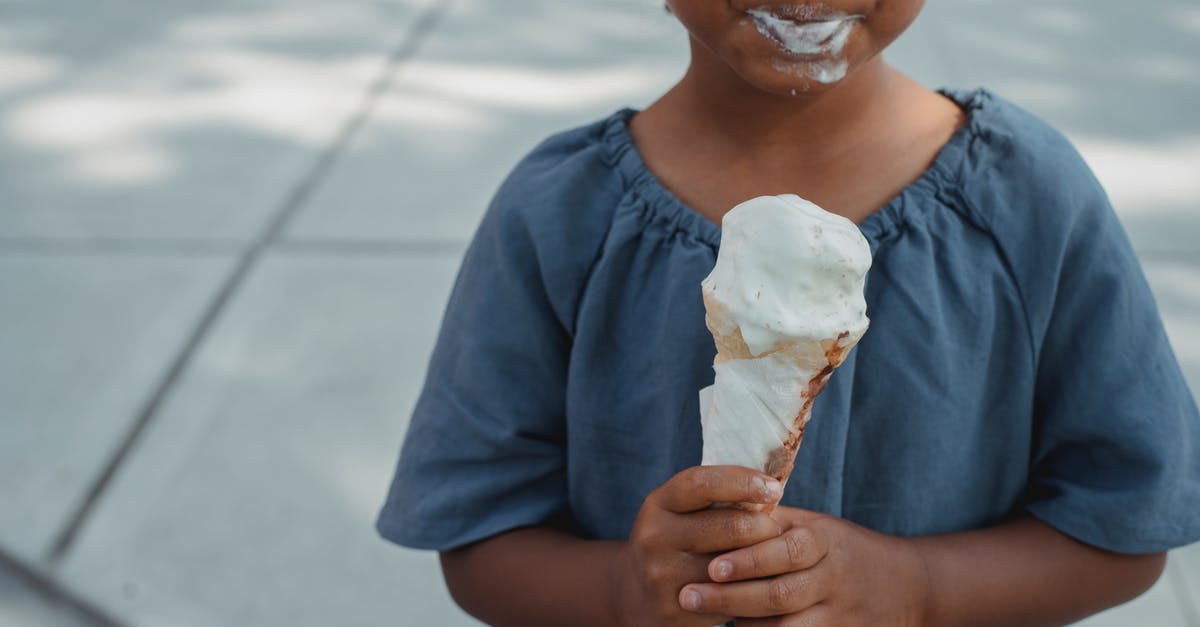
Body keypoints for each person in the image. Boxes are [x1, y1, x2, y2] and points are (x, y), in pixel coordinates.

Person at [377, 0, 1200, 625]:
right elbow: (480, 540)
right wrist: (624, 589)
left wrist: (918, 589)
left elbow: (1126, 530)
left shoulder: (1029, 200)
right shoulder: (555, 216)